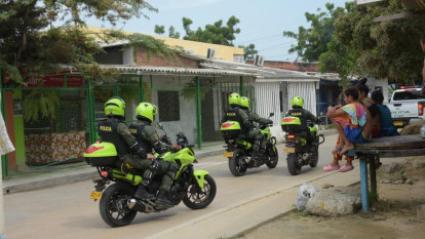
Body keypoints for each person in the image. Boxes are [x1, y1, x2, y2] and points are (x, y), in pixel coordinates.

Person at [97, 97, 152, 197]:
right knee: (154, 164)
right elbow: (132, 142)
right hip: (125, 158)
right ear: (119, 109)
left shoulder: (100, 124)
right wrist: (144, 155)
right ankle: (143, 191)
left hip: (114, 159)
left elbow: (102, 139)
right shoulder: (120, 126)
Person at [129, 102, 180, 205]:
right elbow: (159, 148)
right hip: (143, 159)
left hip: (131, 158)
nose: (153, 116)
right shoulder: (148, 129)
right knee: (173, 166)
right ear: (148, 114)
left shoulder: (131, 125)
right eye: (153, 114)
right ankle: (162, 195)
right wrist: (171, 148)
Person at [325, 87, 367, 172]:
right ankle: (341, 150)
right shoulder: (358, 105)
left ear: (350, 97)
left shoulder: (351, 106)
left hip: (357, 136)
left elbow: (330, 114)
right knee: (343, 124)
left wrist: (331, 107)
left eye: (345, 97)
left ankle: (344, 147)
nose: (344, 99)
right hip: (360, 134)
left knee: (336, 121)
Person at [221, 92, 263, 158]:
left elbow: (222, 123)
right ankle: (255, 153)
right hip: (243, 134)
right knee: (259, 134)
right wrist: (251, 126)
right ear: (238, 100)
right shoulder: (240, 111)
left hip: (231, 136)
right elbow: (246, 121)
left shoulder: (227, 112)